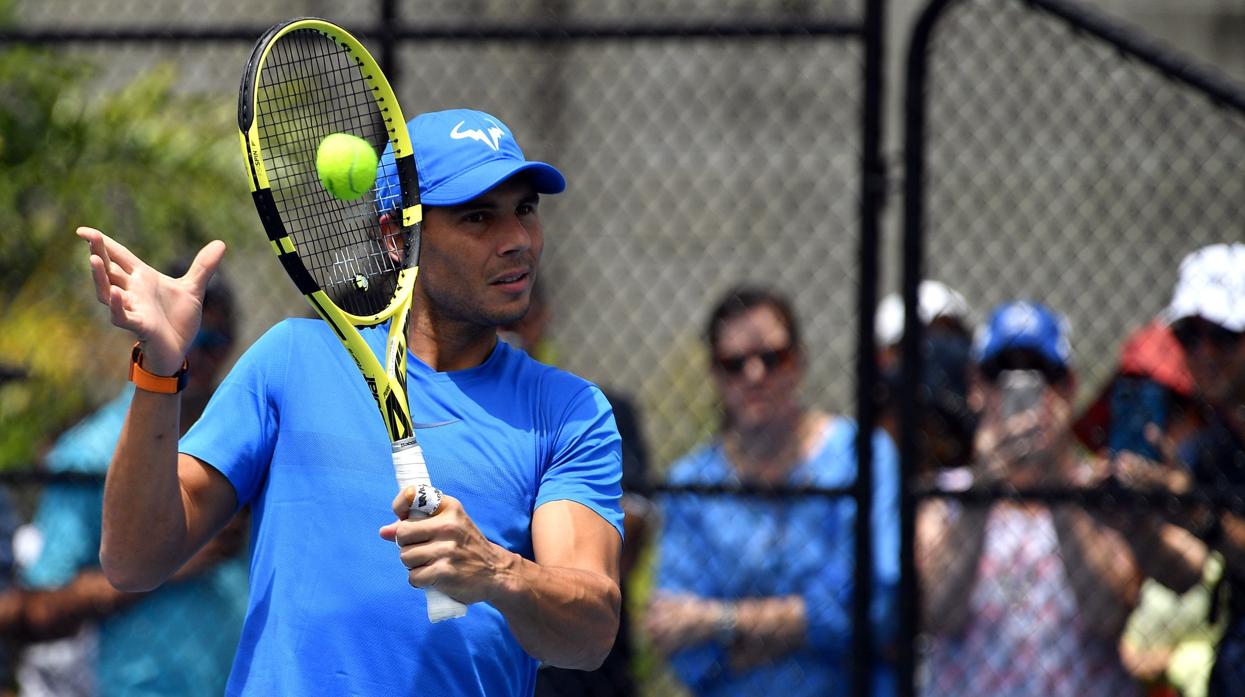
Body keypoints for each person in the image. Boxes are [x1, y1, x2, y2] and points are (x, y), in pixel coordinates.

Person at [76, 108, 624, 696]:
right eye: (478, 218)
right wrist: (160, 368)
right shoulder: (291, 358)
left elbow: (589, 634)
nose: (516, 240)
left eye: (524, 211)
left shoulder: (570, 412)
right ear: (397, 237)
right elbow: (133, 559)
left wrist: (495, 572)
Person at [3, 264, 249, 697]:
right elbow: (40, 610)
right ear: (148, 333)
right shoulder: (87, 452)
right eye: (191, 337)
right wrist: (167, 556)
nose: (204, 357)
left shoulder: (249, 433)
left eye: (217, 342)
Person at [644, 285, 900, 696]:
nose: (755, 375)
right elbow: (679, 641)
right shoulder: (691, 483)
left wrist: (720, 622)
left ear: (798, 362)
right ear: (715, 374)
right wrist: (816, 629)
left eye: (771, 358)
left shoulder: (862, 457)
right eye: (734, 364)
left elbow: (880, 603)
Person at [917, 300, 1146, 697]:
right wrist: (984, 487)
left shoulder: (1102, 491)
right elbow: (939, 613)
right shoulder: (946, 498)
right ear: (975, 387)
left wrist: (1058, 485)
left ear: (1068, 387)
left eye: (1040, 373)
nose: (1019, 388)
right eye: (1001, 372)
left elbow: (1107, 616)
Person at [501, 282, 652, 697]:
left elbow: (629, 535)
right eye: (501, 321)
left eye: (522, 317)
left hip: (583, 676)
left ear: (544, 317)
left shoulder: (590, 410)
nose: (510, 332)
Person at [1156, 243, 1245, 697]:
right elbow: (1181, 575)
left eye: (1224, 335)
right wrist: (1138, 520)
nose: (1205, 353)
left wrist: (1198, 510)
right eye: (1190, 336)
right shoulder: (1205, 450)